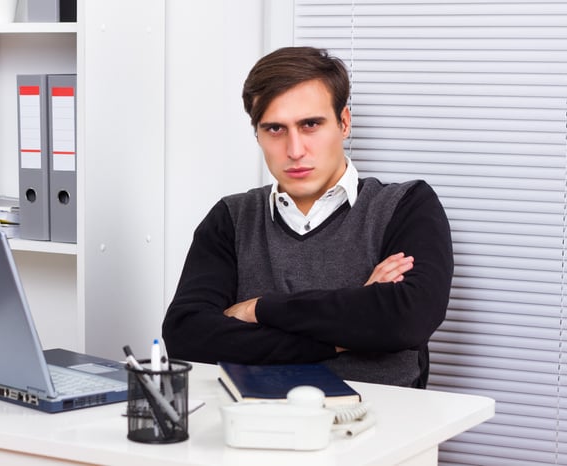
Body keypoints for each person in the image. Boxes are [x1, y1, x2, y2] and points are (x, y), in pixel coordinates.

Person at [161, 46, 453, 388]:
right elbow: (187, 336)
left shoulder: (405, 205)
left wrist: (257, 310)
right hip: (250, 420)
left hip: (381, 424)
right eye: (275, 129)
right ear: (257, 134)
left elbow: (405, 319)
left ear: (343, 123)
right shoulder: (232, 218)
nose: (295, 149)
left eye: (310, 124)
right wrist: (343, 334)